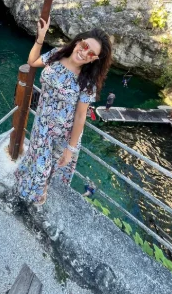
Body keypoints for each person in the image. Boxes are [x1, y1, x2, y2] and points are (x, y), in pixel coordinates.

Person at [15, 18, 112, 206]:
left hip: (64, 134)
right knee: (39, 165)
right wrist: (40, 38)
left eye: (91, 53)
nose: (84, 52)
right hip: (42, 125)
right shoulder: (56, 54)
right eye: (84, 46)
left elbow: (81, 116)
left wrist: (71, 148)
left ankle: (36, 198)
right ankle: (27, 191)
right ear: (78, 42)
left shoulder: (87, 82)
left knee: (50, 170)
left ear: (94, 59)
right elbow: (32, 61)